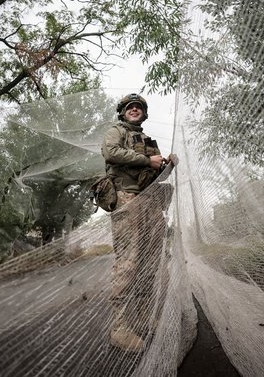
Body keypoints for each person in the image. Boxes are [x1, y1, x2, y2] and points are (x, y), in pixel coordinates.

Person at [101, 93, 174, 352]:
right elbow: (110, 152)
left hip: (150, 202)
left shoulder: (147, 141)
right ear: (122, 112)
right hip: (125, 200)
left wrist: (168, 166)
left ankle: (142, 315)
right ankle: (119, 327)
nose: (134, 109)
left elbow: (153, 176)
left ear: (144, 113)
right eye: (130, 107)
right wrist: (147, 160)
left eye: (139, 107)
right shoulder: (116, 131)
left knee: (150, 261)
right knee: (129, 262)